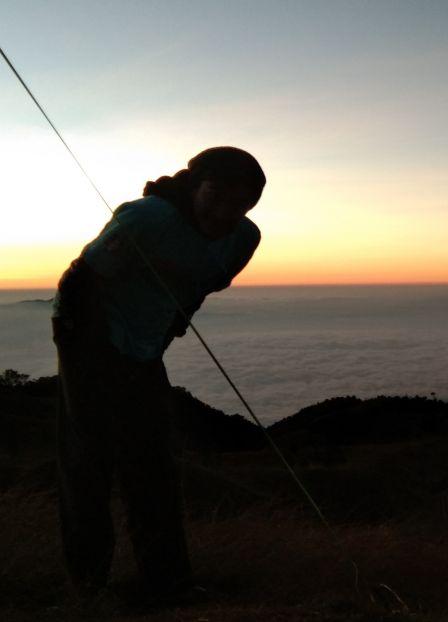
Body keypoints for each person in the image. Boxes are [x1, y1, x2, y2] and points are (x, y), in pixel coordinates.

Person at [50, 146, 266, 603]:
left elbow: (202, 283)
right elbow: (79, 283)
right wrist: (91, 353)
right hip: (89, 335)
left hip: (145, 346)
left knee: (154, 463)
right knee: (90, 460)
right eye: (217, 195)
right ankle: (87, 585)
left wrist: (163, 335)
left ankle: (166, 582)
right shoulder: (146, 219)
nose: (226, 211)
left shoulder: (243, 239)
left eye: (240, 203)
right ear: (194, 185)